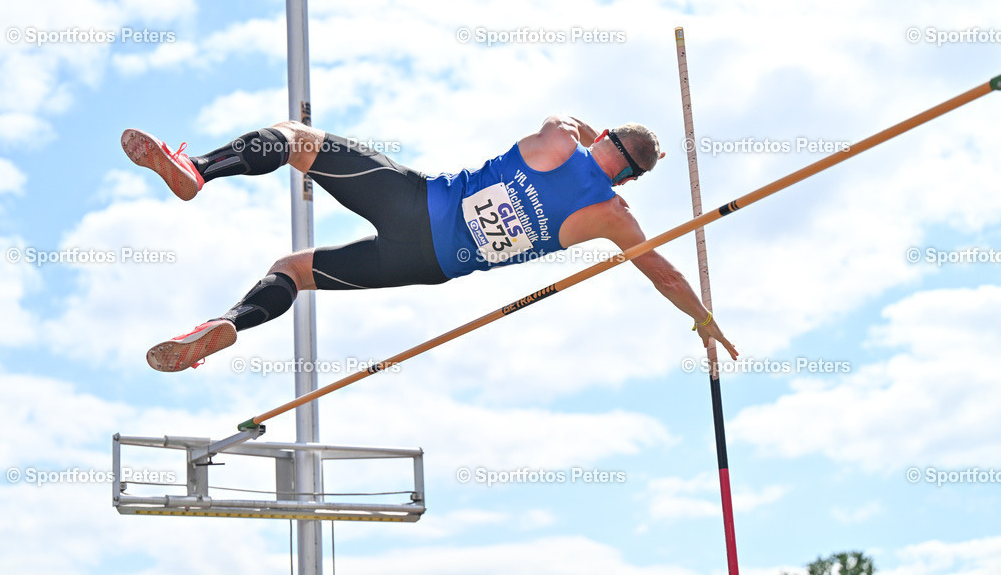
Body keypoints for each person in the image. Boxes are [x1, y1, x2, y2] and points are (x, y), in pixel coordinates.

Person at [122, 116, 736, 372]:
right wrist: (702, 320)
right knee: (294, 271)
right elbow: (665, 275)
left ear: (602, 135)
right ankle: (223, 326)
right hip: (431, 264)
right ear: (631, 177)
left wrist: (588, 132)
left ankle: (198, 168)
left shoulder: (556, 139)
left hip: (415, 204)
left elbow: (568, 120)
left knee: (294, 139)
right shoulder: (614, 218)